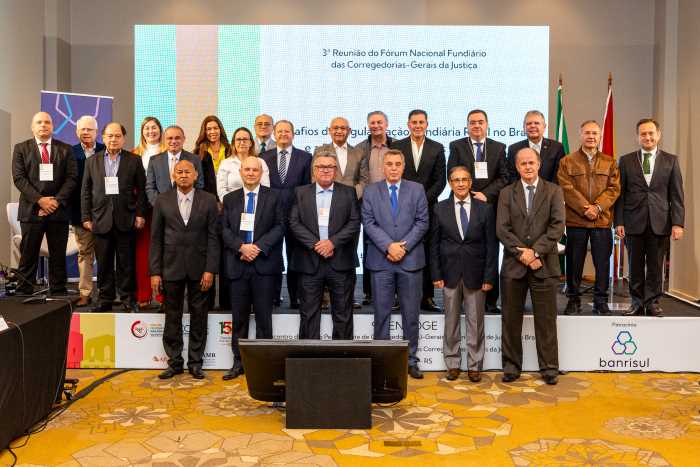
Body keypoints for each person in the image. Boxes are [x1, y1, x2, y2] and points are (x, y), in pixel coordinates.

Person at [497, 148, 565, 385]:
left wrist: (535, 252)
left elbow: (557, 226)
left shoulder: (554, 191)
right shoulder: (506, 193)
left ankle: (549, 368)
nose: (527, 167)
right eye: (523, 163)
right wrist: (523, 254)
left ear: (539, 164)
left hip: (544, 265)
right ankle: (511, 367)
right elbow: (502, 229)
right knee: (510, 320)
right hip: (513, 267)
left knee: (546, 321)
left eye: (531, 163)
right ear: (517, 167)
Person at [362, 149, 429, 379]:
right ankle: (382, 361)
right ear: (383, 167)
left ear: (403, 166)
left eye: (397, 164)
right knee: (381, 315)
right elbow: (368, 222)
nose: (393, 168)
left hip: (410, 261)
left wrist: (403, 247)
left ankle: (411, 360)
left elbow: (422, 222)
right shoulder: (371, 191)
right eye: (389, 164)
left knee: (411, 315)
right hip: (381, 261)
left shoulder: (417, 189)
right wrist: (388, 246)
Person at [151, 159, 219, 380]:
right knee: (172, 316)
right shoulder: (162, 200)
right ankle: (175, 362)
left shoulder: (209, 200)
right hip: (170, 268)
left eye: (187, 172)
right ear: (173, 175)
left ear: (196, 175)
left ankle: (196, 363)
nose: (183, 175)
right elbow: (156, 239)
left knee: (199, 316)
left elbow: (213, 237)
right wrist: (155, 272)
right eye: (179, 172)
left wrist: (210, 269)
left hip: (200, 269)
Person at [221, 156, 284, 380]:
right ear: (240, 172)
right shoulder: (229, 199)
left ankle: (265, 364)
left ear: (261, 173)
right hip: (238, 265)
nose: (250, 173)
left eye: (254, 170)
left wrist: (257, 247)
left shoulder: (274, 197)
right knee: (239, 319)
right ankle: (238, 362)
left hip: (264, 266)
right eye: (246, 169)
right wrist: (241, 247)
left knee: (264, 318)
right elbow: (224, 229)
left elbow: (280, 227)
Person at [431, 167, 497, 382]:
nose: (460, 183)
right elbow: (434, 245)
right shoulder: (439, 209)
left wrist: (489, 277)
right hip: (449, 274)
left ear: (470, 183)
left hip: (476, 275)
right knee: (450, 322)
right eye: (456, 180)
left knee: (475, 322)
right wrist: (436, 274)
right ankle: (452, 363)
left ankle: (474, 365)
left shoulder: (485, 209)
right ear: (450, 184)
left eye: (464, 180)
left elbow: (491, 246)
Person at [616, 119, 685, 317]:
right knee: (635, 265)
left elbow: (677, 195)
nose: (647, 137)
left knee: (656, 265)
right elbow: (621, 194)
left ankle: (652, 302)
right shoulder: (626, 160)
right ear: (637, 137)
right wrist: (619, 221)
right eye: (643, 134)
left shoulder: (671, 161)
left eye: (651, 133)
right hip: (633, 221)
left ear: (658, 135)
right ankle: (637, 302)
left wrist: (678, 223)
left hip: (660, 222)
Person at [289, 151, 361, 339]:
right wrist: (316, 244)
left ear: (336, 171)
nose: (325, 170)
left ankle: (343, 354)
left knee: (343, 314)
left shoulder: (348, 192)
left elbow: (354, 222)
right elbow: (294, 223)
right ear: (314, 170)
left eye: (330, 167)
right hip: (309, 261)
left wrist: (332, 243)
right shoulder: (300, 192)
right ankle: (310, 354)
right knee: (309, 314)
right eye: (321, 166)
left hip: (340, 261)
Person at [447, 109, 508, 314]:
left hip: (489, 207)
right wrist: (468, 193)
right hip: (463, 204)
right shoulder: (456, 146)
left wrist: (485, 194)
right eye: (472, 122)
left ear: (487, 124)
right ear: (467, 126)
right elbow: (451, 173)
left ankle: (491, 300)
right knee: (464, 250)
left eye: (480, 122)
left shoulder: (499, 147)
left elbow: (504, 177)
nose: (476, 125)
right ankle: (461, 298)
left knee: (490, 251)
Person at [81, 123, 146, 312]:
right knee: (104, 264)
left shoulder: (134, 160)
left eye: (118, 136)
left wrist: (140, 214)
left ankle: (128, 299)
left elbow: (142, 190)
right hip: (100, 220)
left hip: (126, 219)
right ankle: (105, 300)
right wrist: (86, 217)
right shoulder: (92, 161)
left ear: (123, 139)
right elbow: (85, 191)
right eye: (110, 136)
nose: (113, 139)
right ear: (103, 138)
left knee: (127, 263)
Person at [557, 120, 620, 315]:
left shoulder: (610, 162)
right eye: (587, 133)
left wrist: (598, 207)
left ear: (599, 136)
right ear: (581, 135)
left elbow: (614, 188)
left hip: (602, 221)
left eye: (594, 133)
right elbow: (566, 188)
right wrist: (586, 209)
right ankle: (573, 300)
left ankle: (600, 301)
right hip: (576, 220)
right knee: (574, 262)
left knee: (602, 263)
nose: (591, 136)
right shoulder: (567, 161)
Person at [12, 111, 77, 295]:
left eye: (47, 122)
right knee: (29, 253)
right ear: (32, 127)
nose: (43, 125)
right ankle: (24, 289)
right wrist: (40, 201)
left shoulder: (66, 149)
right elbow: (19, 178)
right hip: (31, 209)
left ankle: (58, 289)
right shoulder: (21, 148)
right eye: (39, 122)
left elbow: (72, 178)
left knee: (58, 254)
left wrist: (55, 201)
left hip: (58, 209)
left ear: (52, 126)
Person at [391, 109, 446, 311]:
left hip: (428, 207)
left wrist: (422, 200)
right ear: (408, 125)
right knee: (402, 248)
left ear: (427, 124)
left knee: (428, 251)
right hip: (401, 207)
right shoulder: (397, 147)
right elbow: (394, 175)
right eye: (414, 122)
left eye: (421, 122)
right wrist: (408, 201)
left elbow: (440, 181)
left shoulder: (437, 147)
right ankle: (399, 296)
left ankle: (427, 297)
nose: (418, 126)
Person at [313, 116, 368, 309]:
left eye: (343, 128)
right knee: (324, 250)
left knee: (348, 254)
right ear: (329, 130)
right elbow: (314, 177)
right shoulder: (320, 151)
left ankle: (348, 297)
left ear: (349, 131)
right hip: (323, 207)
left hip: (351, 210)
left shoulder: (359, 152)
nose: (339, 131)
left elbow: (364, 180)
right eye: (335, 128)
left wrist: (347, 197)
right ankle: (324, 297)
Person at [260, 120, 312, 309]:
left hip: (295, 215)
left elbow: (307, 188)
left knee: (295, 256)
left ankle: (295, 297)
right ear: (274, 134)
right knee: (271, 256)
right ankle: (273, 296)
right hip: (270, 215)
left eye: (287, 131)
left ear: (293, 134)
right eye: (280, 131)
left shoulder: (305, 157)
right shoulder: (263, 157)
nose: (283, 134)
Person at [356, 110, 394, 305]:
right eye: (372, 123)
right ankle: (369, 292)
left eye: (380, 122)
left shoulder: (397, 146)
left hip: (394, 204)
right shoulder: (360, 148)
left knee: (393, 245)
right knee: (369, 247)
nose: (376, 126)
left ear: (386, 124)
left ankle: (394, 292)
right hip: (369, 204)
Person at [70, 116, 105, 306]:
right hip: (80, 213)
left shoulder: (105, 150)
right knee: (85, 253)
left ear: (96, 132)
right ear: (77, 132)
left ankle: (107, 293)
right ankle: (85, 293)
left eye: (89, 129)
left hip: (105, 213)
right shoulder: (70, 152)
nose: (86, 132)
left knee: (106, 254)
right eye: (82, 129)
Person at [132, 116, 165, 309]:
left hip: (163, 206)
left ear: (160, 130)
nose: (151, 131)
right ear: (142, 131)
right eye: (147, 128)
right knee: (142, 251)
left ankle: (163, 297)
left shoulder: (168, 151)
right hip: (141, 209)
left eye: (154, 128)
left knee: (164, 249)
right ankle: (143, 295)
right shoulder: (134, 153)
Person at [145, 125, 204, 207]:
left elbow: (199, 185)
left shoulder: (194, 159)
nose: (173, 141)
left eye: (177, 138)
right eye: (170, 138)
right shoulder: (154, 161)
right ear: (164, 140)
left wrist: (187, 204)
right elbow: (150, 187)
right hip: (161, 208)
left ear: (183, 139)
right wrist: (160, 206)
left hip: (187, 207)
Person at [506, 110, 565, 183]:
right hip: (521, 190)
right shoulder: (513, 149)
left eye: (536, 123)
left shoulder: (557, 148)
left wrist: (547, 190)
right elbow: (512, 176)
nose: (532, 126)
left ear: (544, 127)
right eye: (529, 123)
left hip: (550, 190)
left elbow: (558, 176)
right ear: (524, 127)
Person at [217, 127, 271, 199]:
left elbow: (265, 188)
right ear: (233, 143)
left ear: (250, 143)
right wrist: (231, 203)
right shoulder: (225, 163)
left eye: (245, 139)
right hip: (232, 203)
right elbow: (221, 191)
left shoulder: (260, 162)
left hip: (257, 203)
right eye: (238, 139)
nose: (242, 142)